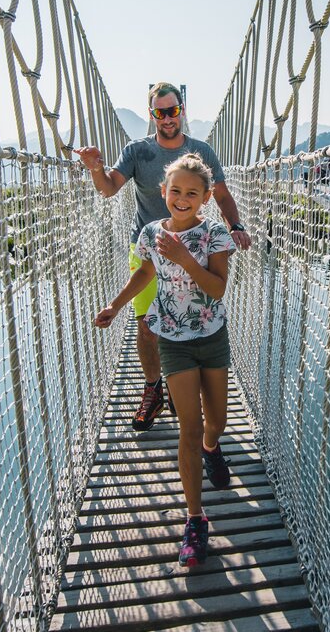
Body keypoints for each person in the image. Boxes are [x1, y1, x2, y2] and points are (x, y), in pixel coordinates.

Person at [76, 82, 250, 432]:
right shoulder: (137, 151)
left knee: (194, 313)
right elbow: (109, 188)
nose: (167, 118)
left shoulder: (201, 152)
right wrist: (96, 168)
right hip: (148, 249)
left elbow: (221, 193)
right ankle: (154, 389)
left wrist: (235, 224)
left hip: (195, 250)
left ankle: (177, 381)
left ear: (182, 109)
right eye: (160, 112)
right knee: (147, 327)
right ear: (151, 114)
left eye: (173, 111)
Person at [94, 154, 236, 567]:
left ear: (206, 197)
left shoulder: (214, 234)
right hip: (171, 337)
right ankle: (195, 520)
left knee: (217, 422)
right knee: (189, 427)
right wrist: (116, 306)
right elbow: (144, 274)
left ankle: (213, 447)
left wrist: (184, 259)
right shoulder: (151, 232)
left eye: (192, 193)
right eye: (175, 190)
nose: (182, 198)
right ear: (163, 192)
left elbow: (217, 290)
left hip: (211, 335)